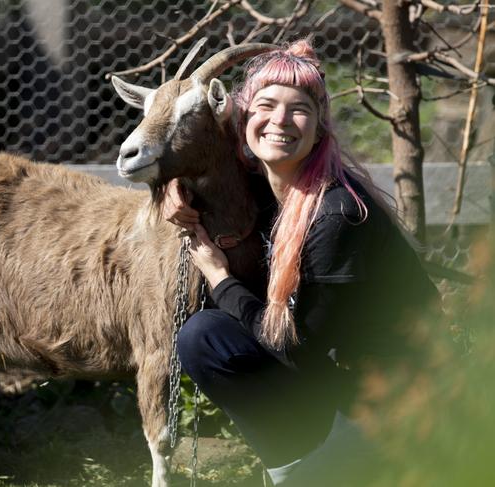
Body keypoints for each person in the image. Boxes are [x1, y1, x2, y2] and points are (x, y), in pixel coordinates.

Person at [162, 40, 439, 485]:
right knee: (206, 335)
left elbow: (296, 350)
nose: (280, 121)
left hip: (395, 394)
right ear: (243, 120)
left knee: (206, 333)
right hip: (335, 374)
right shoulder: (273, 187)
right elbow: (204, 162)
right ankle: (298, 466)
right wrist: (177, 187)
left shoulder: (336, 212)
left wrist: (219, 277)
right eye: (266, 105)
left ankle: (316, 466)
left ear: (319, 128)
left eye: (300, 109)